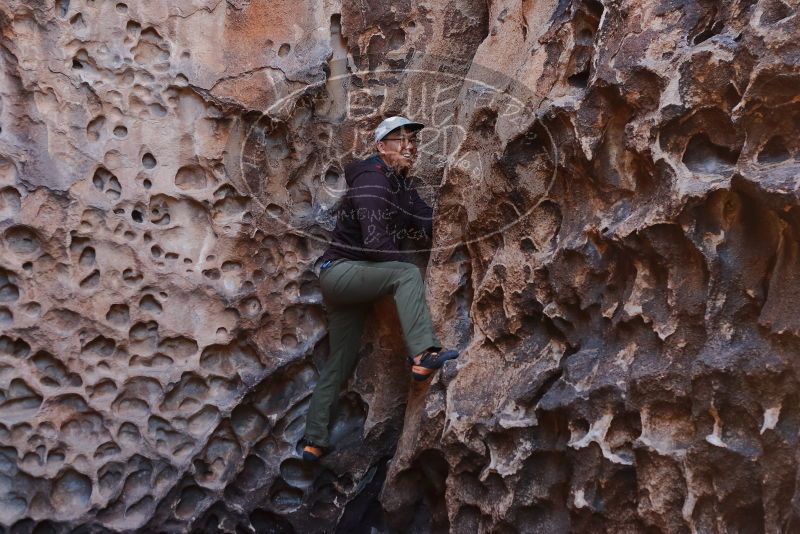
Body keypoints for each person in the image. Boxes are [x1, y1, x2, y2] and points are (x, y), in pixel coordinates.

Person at [301, 116, 459, 462]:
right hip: (341, 273)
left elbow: (427, 221)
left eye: (412, 141)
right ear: (380, 147)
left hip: (356, 279)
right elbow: (375, 244)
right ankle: (422, 356)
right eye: (399, 139)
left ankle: (313, 441)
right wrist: (396, 268)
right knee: (405, 274)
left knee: (340, 360)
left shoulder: (403, 186)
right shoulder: (372, 180)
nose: (409, 147)